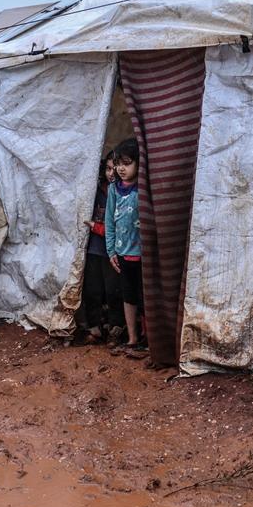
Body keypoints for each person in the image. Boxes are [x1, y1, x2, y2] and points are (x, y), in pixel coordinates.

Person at [105, 138, 145, 350]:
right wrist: (111, 250)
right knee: (128, 297)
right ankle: (132, 338)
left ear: (139, 163)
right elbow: (109, 221)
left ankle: (148, 339)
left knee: (145, 298)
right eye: (118, 163)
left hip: (142, 255)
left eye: (127, 163)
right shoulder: (114, 190)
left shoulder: (143, 189)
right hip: (122, 253)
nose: (120, 168)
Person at [81, 153, 121, 342]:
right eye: (108, 168)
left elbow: (120, 227)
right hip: (94, 249)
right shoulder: (94, 192)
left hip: (112, 250)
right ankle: (94, 326)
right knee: (92, 289)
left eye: (115, 168)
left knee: (113, 290)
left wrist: (97, 228)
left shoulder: (123, 192)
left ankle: (115, 327)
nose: (111, 173)